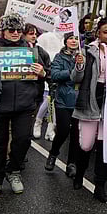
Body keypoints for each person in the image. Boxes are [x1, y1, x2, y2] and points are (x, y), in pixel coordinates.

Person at [0, 14, 49, 196]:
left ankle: (13, 172)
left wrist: (42, 72)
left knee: (22, 139)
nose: (15, 33)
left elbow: (48, 74)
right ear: (2, 30)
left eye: (18, 30)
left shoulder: (32, 50)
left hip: (24, 104)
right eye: (11, 30)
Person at [70, 17, 107, 202]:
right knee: (86, 145)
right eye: (105, 32)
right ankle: (79, 174)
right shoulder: (87, 51)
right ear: (98, 33)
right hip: (90, 99)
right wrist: (80, 64)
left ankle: (100, 185)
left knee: (104, 146)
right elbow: (75, 78)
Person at [46, 33, 84, 177]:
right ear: (66, 41)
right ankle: (53, 153)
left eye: (76, 38)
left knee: (76, 132)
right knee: (63, 130)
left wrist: (81, 65)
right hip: (63, 98)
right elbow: (54, 75)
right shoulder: (59, 57)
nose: (74, 41)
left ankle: (71, 163)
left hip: (79, 98)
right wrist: (73, 71)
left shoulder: (83, 55)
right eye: (70, 38)